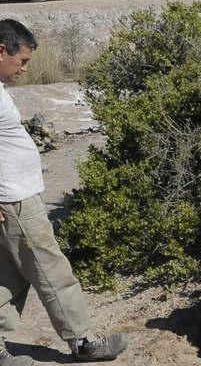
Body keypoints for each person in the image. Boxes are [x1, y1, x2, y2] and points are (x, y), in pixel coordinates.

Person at [0, 19, 127, 366]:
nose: (25, 69)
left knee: (8, 276)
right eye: (22, 60)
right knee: (51, 270)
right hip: (14, 201)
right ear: (1, 50)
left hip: (16, 197)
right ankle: (82, 341)